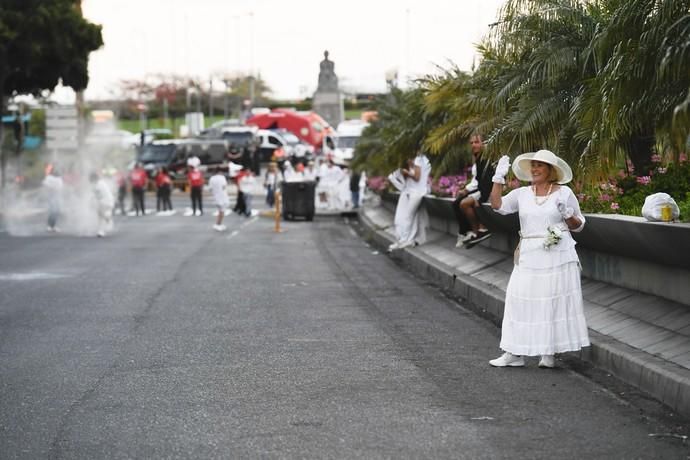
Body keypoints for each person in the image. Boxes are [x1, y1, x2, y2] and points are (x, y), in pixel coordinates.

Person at [488, 150, 590, 368]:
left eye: (539, 166)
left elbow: (579, 225)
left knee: (551, 301)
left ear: (550, 170)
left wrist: (567, 214)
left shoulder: (564, 193)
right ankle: (513, 353)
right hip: (529, 253)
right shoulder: (522, 193)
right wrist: (498, 178)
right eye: (532, 165)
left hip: (558, 253)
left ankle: (548, 353)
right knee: (519, 299)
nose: (534, 169)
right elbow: (497, 205)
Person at [454, 133, 494, 248]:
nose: (473, 145)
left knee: (463, 203)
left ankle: (480, 230)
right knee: (460, 202)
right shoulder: (478, 157)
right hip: (482, 190)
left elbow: (489, 180)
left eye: (476, 142)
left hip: (489, 191)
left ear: (484, 143)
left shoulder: (487, 157)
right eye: (471, 143)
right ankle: (478, 232)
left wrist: (481, 198)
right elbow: (479, 180)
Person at [388, 150, 431, 252]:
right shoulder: (418, 162)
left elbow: (417, 177)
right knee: (414, 218)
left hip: (417, 194)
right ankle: (413, 239)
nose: (408, 161)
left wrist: (407, 173)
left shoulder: (419, 160)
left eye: (409, 159)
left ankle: (405, 240)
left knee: (409, 216)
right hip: (412, 193)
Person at [90, 171, 114, 237]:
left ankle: (106, 225)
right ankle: (101, 231)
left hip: (106, 202)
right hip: (104, 202)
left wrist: (92, 202)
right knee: (101, 217)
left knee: (104, 215)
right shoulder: (100, 183)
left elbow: (96, 196)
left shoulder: (98, 185)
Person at [209, 167, 229, 231]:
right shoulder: (222, 177)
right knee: (222, 211)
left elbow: (210, 189)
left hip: (216, 197)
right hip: (223, 197)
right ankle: (218, 224)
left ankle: (219, 223)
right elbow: (224, 186)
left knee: (220, 211)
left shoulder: (212, 178)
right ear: (220, 172)